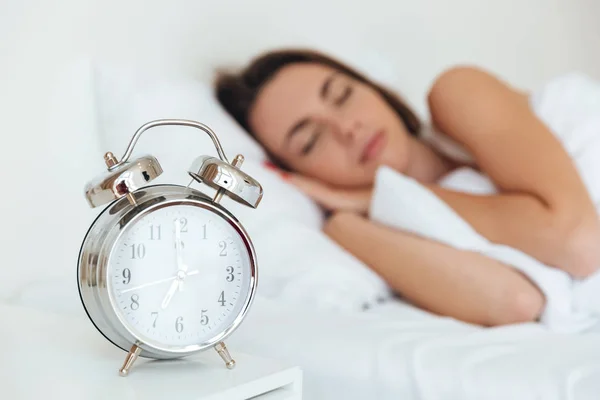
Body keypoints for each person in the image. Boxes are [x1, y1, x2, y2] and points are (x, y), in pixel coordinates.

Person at [214, 48, 600, 327]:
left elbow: (581, 245)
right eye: (311, 140)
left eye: (343, 95)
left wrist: (375, 195)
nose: (347, 129)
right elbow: (516, 302)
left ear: (376, 90)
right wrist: (347, 220)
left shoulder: (458, 93)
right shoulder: (390, 224)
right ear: (300, 174)